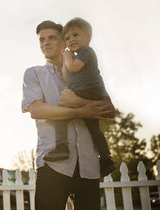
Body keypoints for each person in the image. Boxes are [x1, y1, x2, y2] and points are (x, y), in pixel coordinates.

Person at [21, 20, 115, 210]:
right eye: (42, 40)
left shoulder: (89, 72)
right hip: (53, 164)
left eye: (52, 38)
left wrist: (78, 102)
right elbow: (37, 110)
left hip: (89, 165)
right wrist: (82, 111)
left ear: (64, 42)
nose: (45, 43)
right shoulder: (34, 74)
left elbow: (109, 109)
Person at [43, 17, 116, 177]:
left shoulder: (87, 52)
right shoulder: (75, 56)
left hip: (88, 91)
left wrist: (68, 58)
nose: (71, 40)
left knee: (60, 115)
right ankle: (106, 158)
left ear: (88, 36)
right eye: (67, 38)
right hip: (82, 91)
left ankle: (61, 147)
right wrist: (65, 61)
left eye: (76, 35)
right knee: (94, 128)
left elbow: (74, 68)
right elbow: (65, 77)